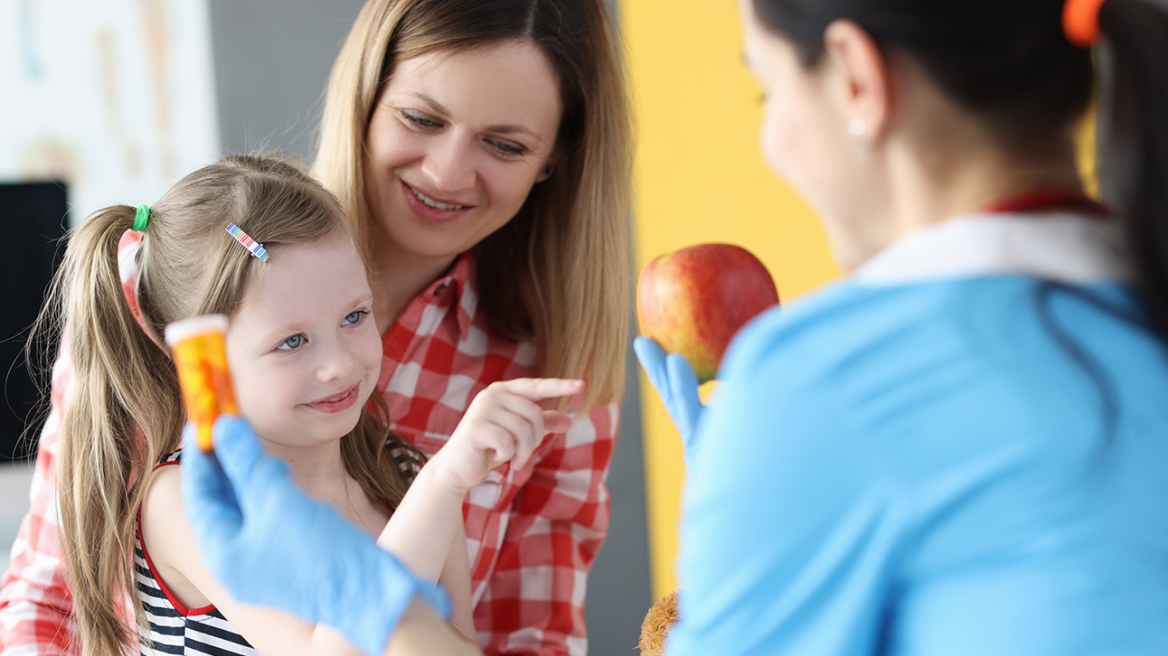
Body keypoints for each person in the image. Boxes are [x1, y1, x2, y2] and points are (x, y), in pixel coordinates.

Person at [173, 0, 1168, 654]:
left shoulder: (823, 377)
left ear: (856, 80)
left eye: (765, 90)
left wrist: (369, 601)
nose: (773, 140)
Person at [0, 1, 630, 655]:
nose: (445, 172)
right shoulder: (188, 468)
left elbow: (493, 640)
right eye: (421, 118)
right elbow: (50, 602)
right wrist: (443, 490)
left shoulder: (418, 465)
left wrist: (441, 485)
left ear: (555, 157)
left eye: (505, 144)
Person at [29, 154, 587, 656]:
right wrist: (444, 486)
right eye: (291, 341)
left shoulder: (402, 473)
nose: (340, 364)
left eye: (354, 316)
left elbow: (455, 647)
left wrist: (436, 485)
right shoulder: (189, 502)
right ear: (202, 364)